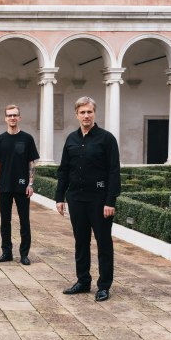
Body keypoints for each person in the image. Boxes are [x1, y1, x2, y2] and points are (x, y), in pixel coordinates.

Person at [55, 96, 121, 302]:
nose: (86, 115)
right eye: (82, 112)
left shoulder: (106, 139)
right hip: (76, 198)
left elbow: (114, 171)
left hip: (99, 200)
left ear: (94, 113)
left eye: (89, 112)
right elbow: (64, 169)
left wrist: (110, 201)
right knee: (80, 242)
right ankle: (83, 281)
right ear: (77, 115)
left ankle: (104, 286)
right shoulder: (71, 139)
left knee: (103, 243)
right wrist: (59, 197)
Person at [0, 105, 40, 266]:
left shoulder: (27, 138)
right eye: (9, 115)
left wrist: (30, 183)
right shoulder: (0, 140)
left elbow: (31, 163)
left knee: (24, 221)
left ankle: (24, 254)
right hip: (4, 186)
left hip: (22, 186)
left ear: (19, 118)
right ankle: (6, 252)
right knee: (5, 221)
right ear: (5, 118)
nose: (12, 118)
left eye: (15, 115)